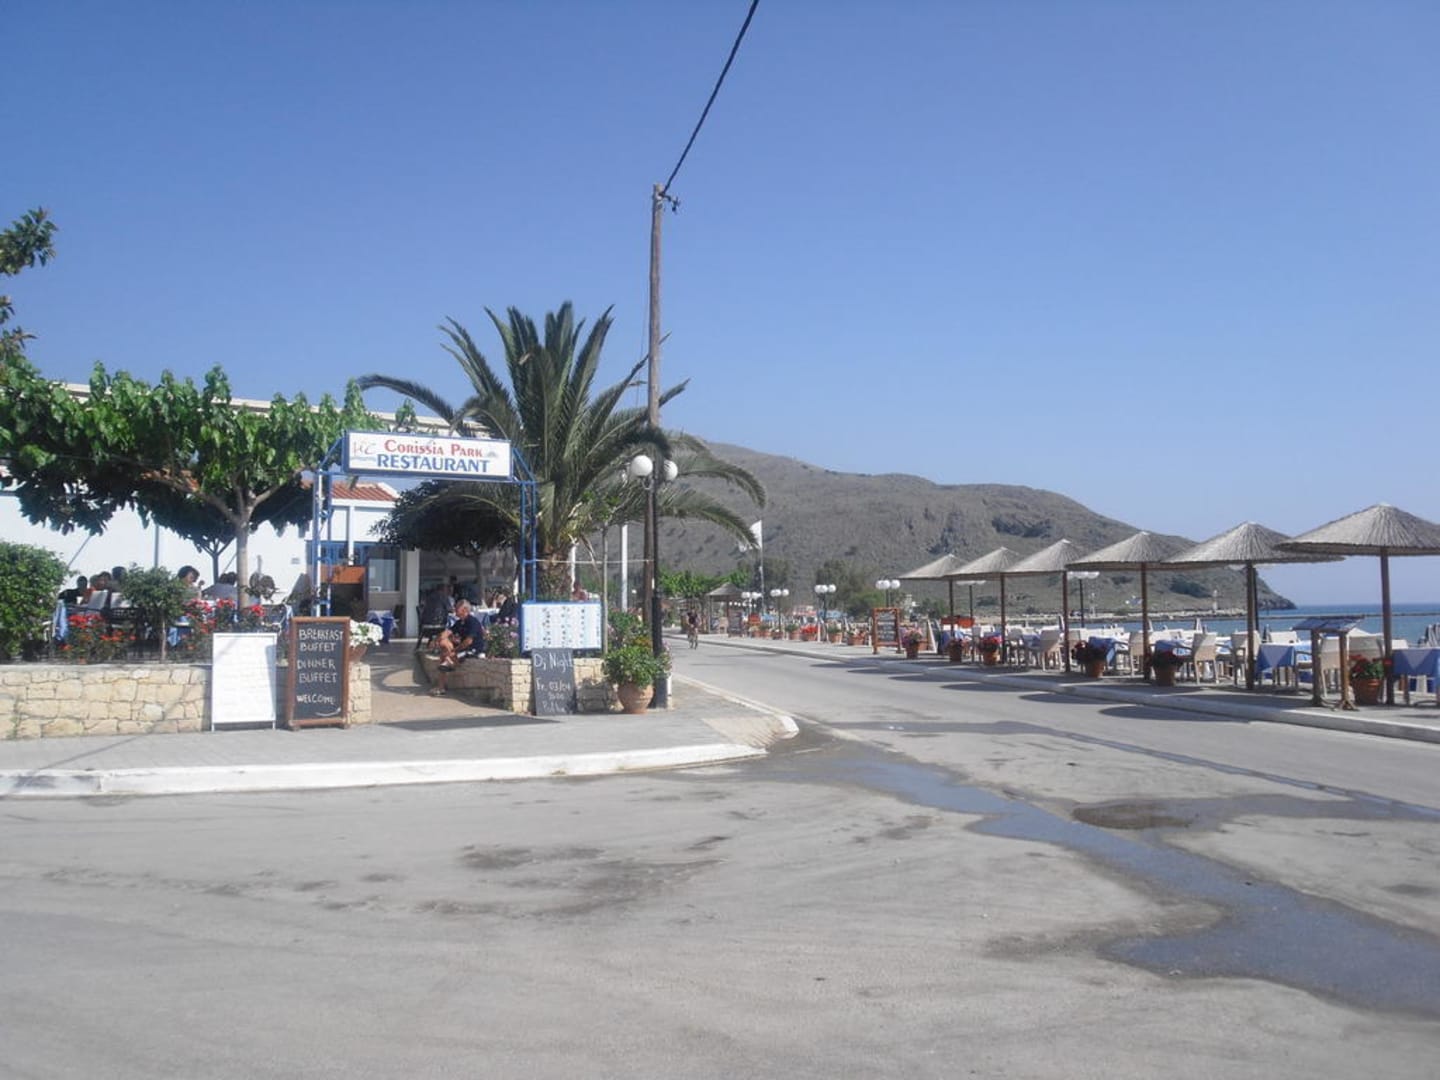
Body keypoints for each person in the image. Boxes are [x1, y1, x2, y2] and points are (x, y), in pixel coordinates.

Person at [431, 599, 483, 696]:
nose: (455, 610)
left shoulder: (473, 622)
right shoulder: (460, 622)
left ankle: (449, 665)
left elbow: (468, 641)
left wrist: (455, 650)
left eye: (457, 608)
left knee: (445, 658)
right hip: (462, 649)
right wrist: (437, 640)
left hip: (473, 650)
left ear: (465, 610)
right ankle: (448, 665)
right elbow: (448, 632)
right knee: (444, 646)